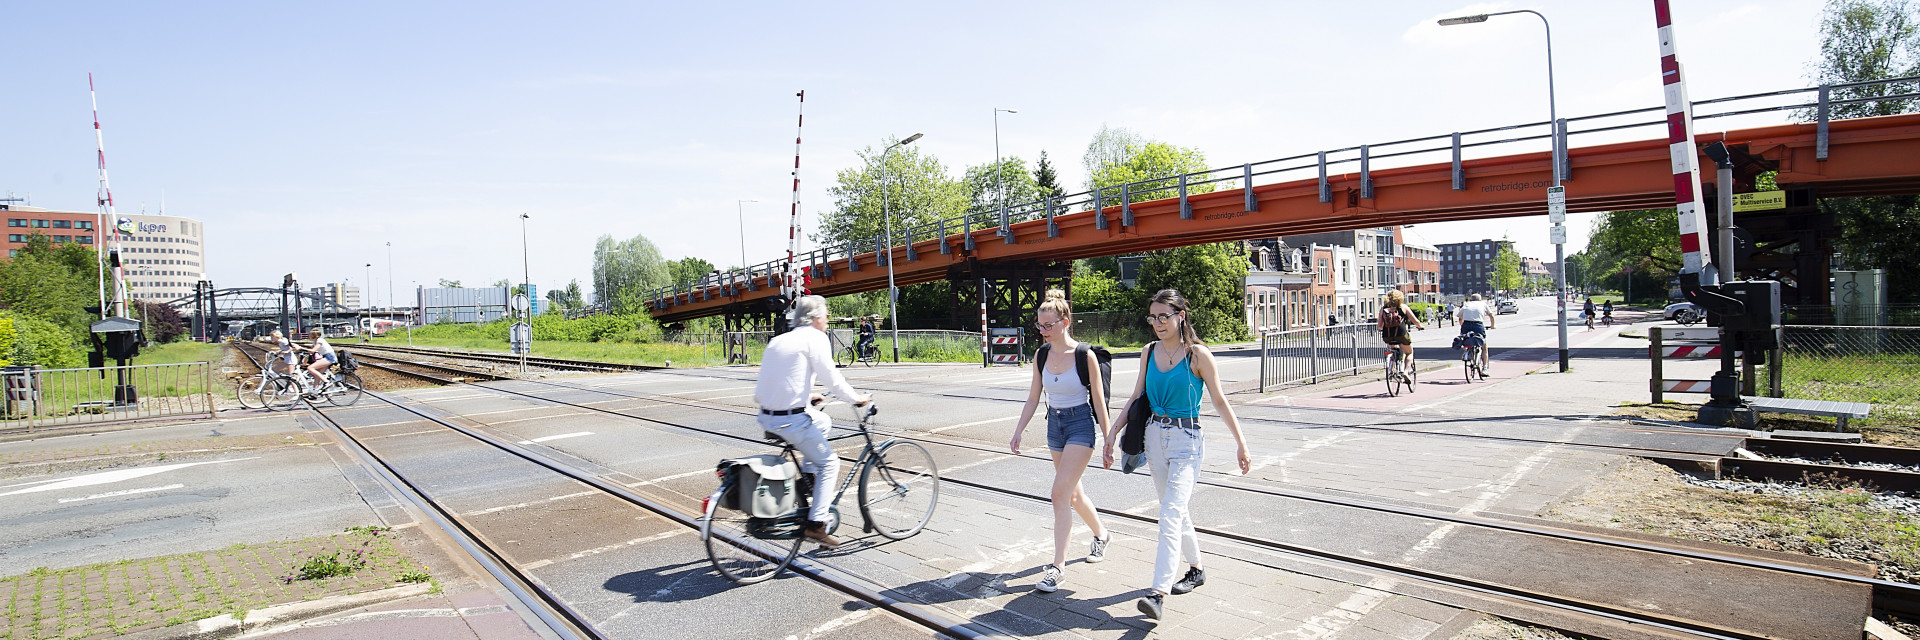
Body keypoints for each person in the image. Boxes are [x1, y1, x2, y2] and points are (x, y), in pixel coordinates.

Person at [1111, 289, 1252, 621]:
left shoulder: (1198, 355)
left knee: (1170, 515)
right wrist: (1112, 434)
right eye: (1153, 317)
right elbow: (1136, 397)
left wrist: (1241, 443)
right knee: (1173, 510)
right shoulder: (1148, 352)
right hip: (1154, 437)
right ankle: (1197, 568)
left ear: (1180, 316)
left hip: (1187, 440)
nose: (1158, 323)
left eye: (1164, 316)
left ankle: (1157, 594)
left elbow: (1219, 400)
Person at [1010, 290, 1111, 593]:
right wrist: (1018, 431)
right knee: (1073, 496)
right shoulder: (1041, 355)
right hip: (1054, 425)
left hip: (1080, 425)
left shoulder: (1084, 356)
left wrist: (1108, 440)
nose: (1042, 331)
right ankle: (1102, 535)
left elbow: (1100, 401)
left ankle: (1058, 568)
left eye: (1048, 326)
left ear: (1064, 322)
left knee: (1058, 494)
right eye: (1039, 326)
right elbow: (1033, 398)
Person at [754, 295, 871, 547]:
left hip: (767, 417)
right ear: (816, 318)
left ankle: (809, 481)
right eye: (826, 316)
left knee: (822, 422)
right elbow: (833, 378)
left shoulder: (779, 340)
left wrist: (807, 397)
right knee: (830, 463)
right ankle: (816, 525)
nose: (827, 321)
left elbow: (774, 385)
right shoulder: (815, 338)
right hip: (791, 421)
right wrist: (857, 399)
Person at [1378, 290, 1426, 367]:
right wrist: (1420, 327)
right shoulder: (1403, 307)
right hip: (1401, 334)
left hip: (1387, 335)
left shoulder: (1383, 309)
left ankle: (1392, 369)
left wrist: (1382, 328)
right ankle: (1405, 372)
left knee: (1393, 349)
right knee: (1409, 353)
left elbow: (1380, 325)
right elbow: (1415, 321)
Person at [1456, 294, 1495, 370]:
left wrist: (1462, 326)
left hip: (1466, 324)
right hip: (1478, 325)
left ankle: (1465, 351)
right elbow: (1491, 316)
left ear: (1471, 299)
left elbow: (1460, 318)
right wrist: (1492, 326)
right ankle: (1485, 368)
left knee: (1465, 338)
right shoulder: (1483, 304)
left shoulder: (1467, 304)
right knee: (1484, 346)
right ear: (1480, 300)